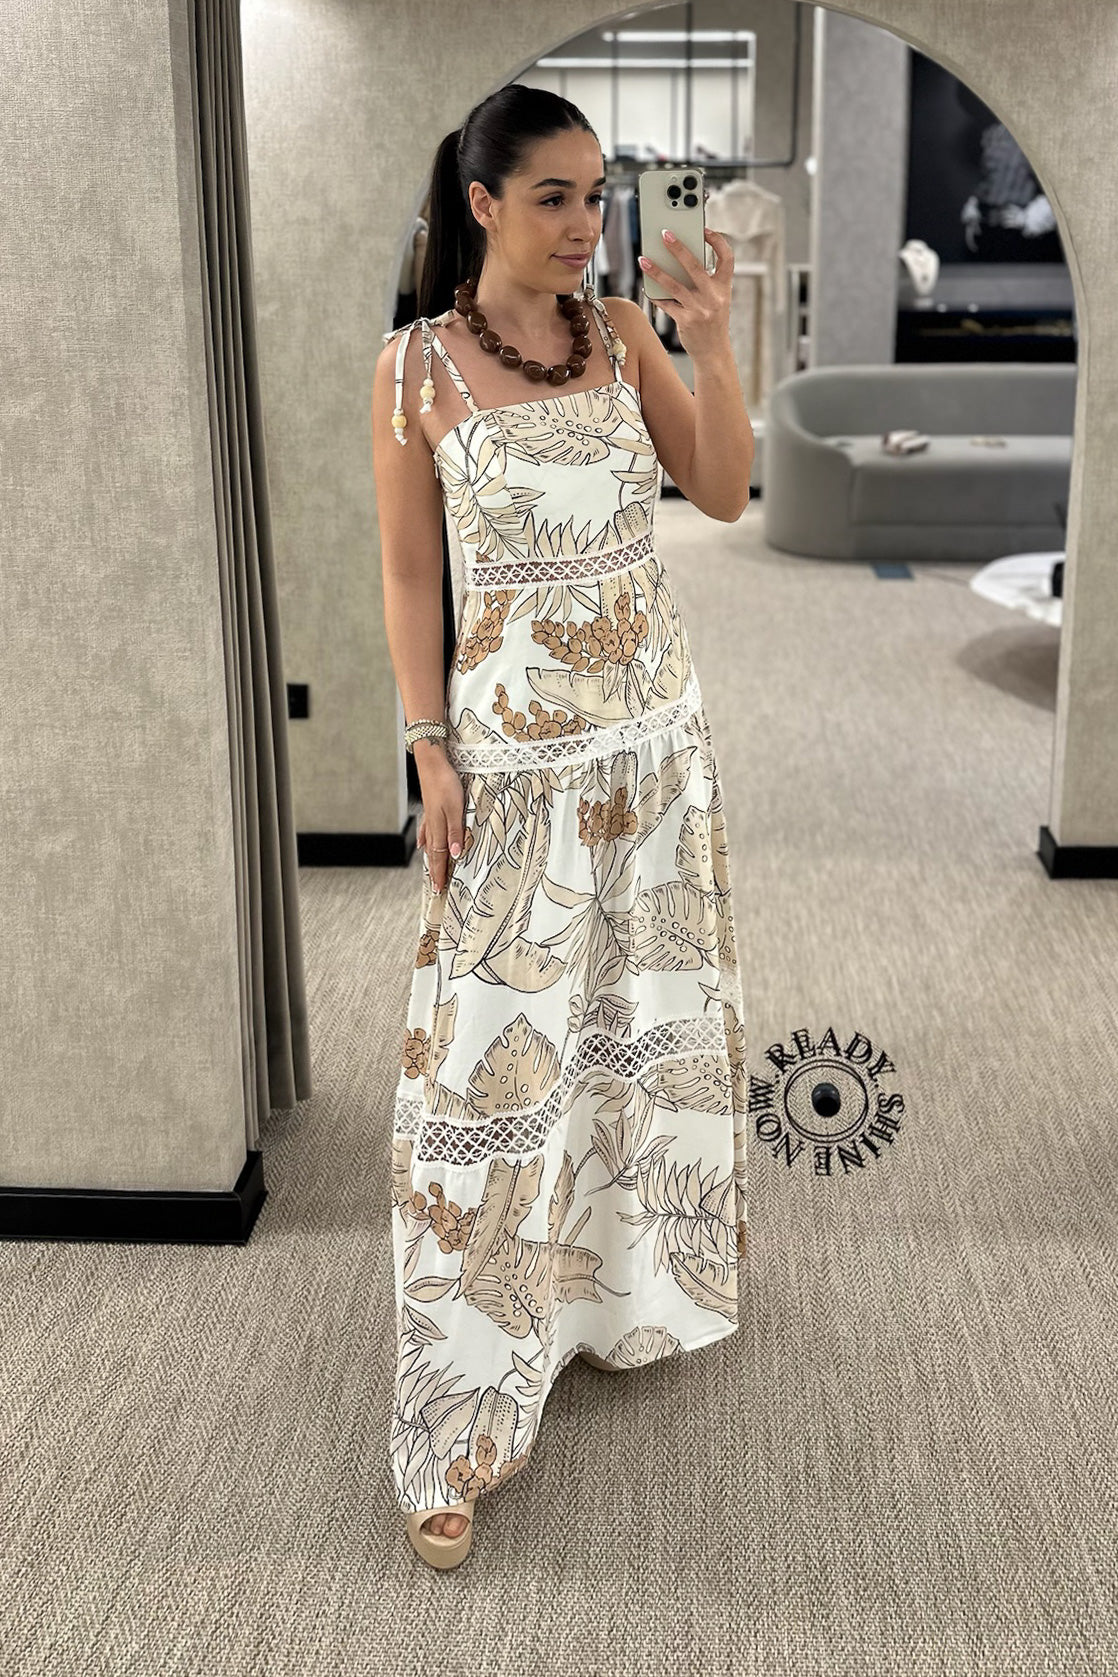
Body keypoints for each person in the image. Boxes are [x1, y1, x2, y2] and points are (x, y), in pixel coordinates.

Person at [371, 83, 754, 1571]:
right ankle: (453, 1416)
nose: (586, 224)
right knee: (486, 1078)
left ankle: (601, 1302)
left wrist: (712, 346)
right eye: (553, 196)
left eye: (597, 195)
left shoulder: (622, 333)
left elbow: (722, 490)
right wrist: (427, 745)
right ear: (481, 203)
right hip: (514, 771)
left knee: (631, 1033)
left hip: (651, 758)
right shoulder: (416, 370)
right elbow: (413, 575)